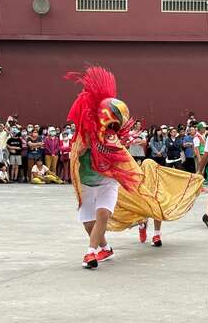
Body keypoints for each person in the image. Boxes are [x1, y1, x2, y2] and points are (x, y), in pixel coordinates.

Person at [64, 67, 143, 269]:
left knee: (102, 216)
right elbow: (74, 155)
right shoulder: (83, 136)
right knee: (88, 224)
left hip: (107, 183)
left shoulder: (110, 137)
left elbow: (121, 157)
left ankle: (90, 253)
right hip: (86, 185)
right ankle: (105, 249)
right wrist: (83, 148)